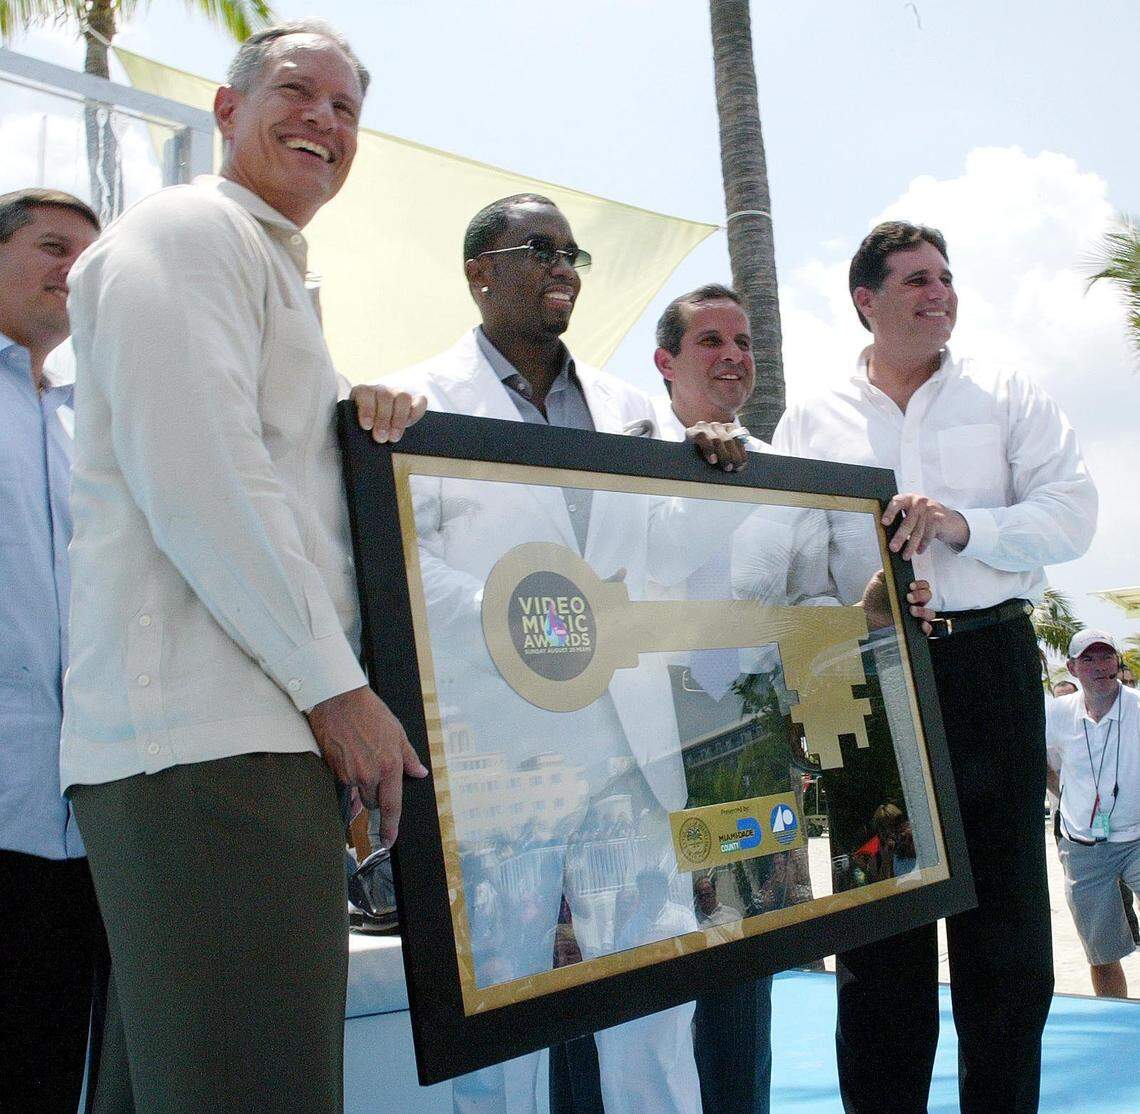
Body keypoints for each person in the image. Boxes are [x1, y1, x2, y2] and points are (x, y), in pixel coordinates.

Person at [61, 22, 425, 1112]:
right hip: (216, 744)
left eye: (347, 109)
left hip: (239, 746)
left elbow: (265, 471)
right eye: (296, 91)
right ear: (225, 110)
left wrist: (361, 419)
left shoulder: (259, 261)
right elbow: (204, 476)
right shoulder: (185, 231)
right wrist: (340, 689)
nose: (325, 119)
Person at [375, 195, 751, 1114]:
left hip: (632, 753)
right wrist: (523, 618)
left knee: (655, 1011)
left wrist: (713, 470)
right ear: (479, 272)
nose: (564, 267)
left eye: (572, 252)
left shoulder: (634, 412)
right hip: (502, 753)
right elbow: (392, 553)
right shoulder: (412, 402)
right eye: (538, 249)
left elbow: (664, 557)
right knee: (500, 1015)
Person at [772, 220, 1097, 1112]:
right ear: (865, 300)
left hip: (989, 666)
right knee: (879, 942)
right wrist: (857, 617)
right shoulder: (813, 416)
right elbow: (793, 562)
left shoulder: (1007, 393)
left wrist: (962, 525)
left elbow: (1073, 514)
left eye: (946, 277)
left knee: (1008, 940)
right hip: (867, 679)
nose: (940, 292)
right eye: (916, 279)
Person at [650, 282, 936, 1114]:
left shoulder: (787, 481)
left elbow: (810, 613)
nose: (735, 355)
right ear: (665, 362)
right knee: (622, 972)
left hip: (743, 755)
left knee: (742, 970)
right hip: (635, 749)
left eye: (744, 342)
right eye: (711, 341)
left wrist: (873, 614)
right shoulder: (610, 455)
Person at [0, 188, 102, 1112]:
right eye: (50, 245)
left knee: (50, 1069)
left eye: (87, 254)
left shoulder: (92, 420)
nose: (72, 268)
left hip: (81, 823)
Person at [1047, 630, 1140, 997]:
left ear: (1117, 661)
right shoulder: (1055, 714)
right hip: (1083, 848)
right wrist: (1063, 794)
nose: (1100, 666)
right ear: (1072, 667)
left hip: (1137, 839)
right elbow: (1034, 754)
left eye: (1106, 657)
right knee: (1101, 954)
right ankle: (1115, 1025)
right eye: (1088, 659)